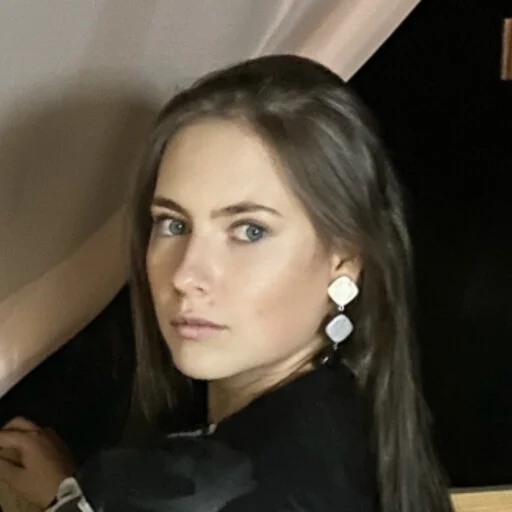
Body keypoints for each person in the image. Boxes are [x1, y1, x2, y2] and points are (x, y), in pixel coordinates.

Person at [0, 55, 454, 512]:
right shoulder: (366, 433)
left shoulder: (157, 491)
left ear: (345, 260)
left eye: (250, 231)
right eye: (173, 224)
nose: (185, 275)